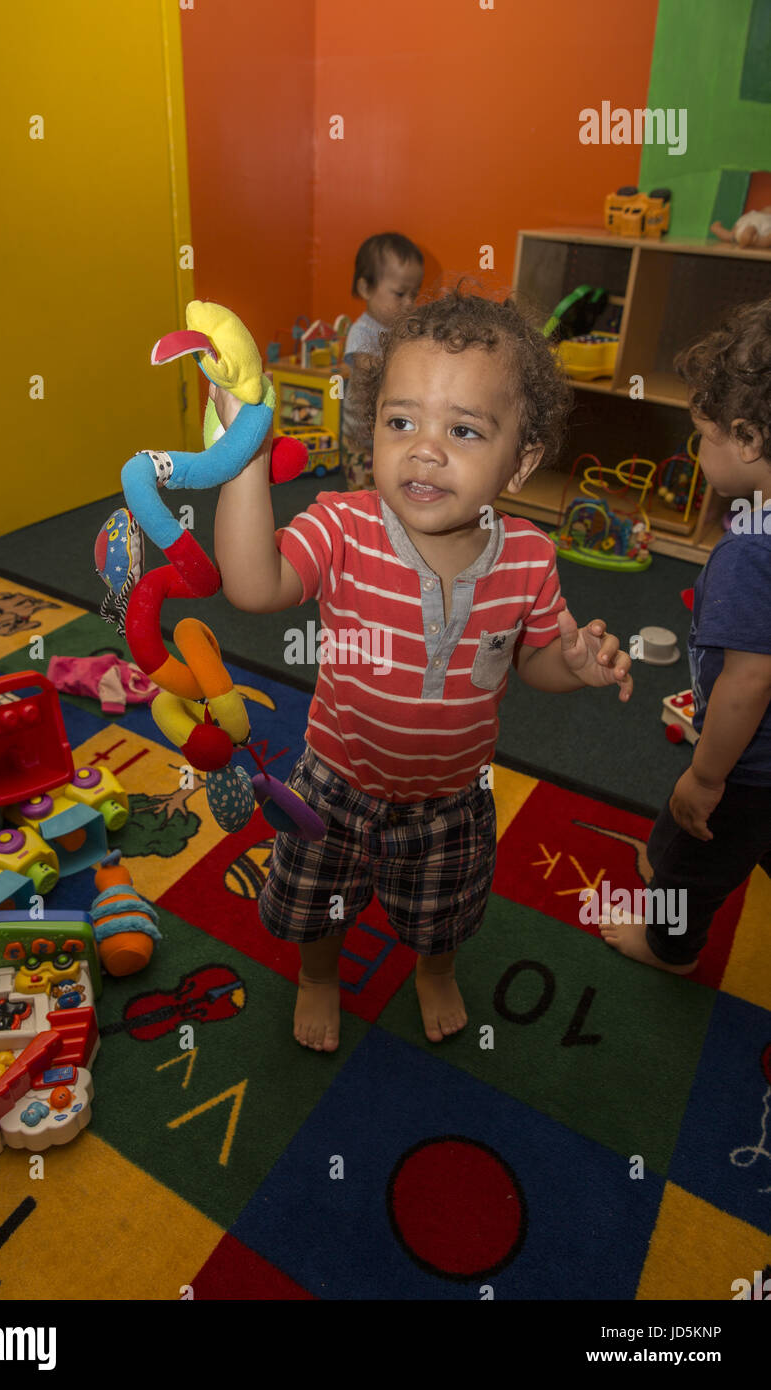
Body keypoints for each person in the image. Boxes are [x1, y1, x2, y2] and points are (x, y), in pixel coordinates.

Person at [214, 288, 633, 1052]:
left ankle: (433, 970)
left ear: (521, 461)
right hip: (336, 784)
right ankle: (318, 975)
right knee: (316, 904)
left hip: (453, 799)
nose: (424, 448)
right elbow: (252, 584)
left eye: (464, 430)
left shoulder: (532, 558)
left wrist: (572, 664)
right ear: (372, 429)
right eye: (400, 422)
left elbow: (533, 663)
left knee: (443, 911)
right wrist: (242, 460)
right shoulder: (343, 526)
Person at [601, 297, 771, 973]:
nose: (696, 451)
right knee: (710, 835)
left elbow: (750, 679)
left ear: (749, 439)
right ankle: (669, 855)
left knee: (701, 845)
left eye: (704, 436)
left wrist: (705, 774)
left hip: (747, 768)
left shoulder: (750, 551)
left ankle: (668, 944)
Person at [340, 233, 424, 491]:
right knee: (364, 491)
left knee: (392, 486)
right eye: (400, 294)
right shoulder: (362, 331)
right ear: (366, 288)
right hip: (360, 438)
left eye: (414, 294)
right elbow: (371, 369)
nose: (409, 303)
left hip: (389, 430)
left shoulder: (404, 329)